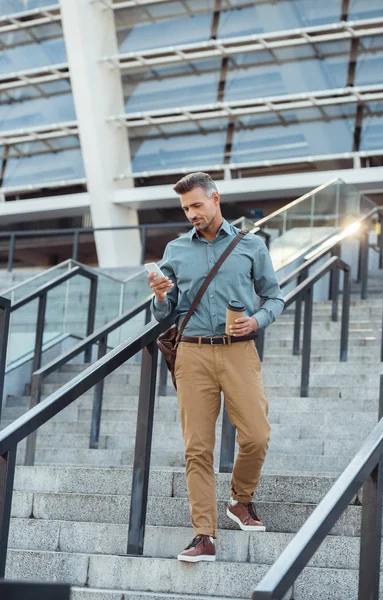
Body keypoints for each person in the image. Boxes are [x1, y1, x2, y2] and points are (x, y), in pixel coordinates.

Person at [148, 172, 284, 563]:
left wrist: (257, 320)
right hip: (192, 354)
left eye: (196, 205)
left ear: (215, 199)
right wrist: (159, 297)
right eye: (186, 208)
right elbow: (166, 311)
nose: (191, 213)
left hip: (239, 351)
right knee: (197, 448)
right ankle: (203, 534)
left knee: (257, 435)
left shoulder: (251, 246)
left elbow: (274, 297)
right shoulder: (175, 250)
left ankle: (241, 501)